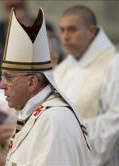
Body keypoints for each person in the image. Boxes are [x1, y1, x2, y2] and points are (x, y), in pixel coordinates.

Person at [0, 8, 91, 166]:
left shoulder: (54, 119)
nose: (1, 85)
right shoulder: (34, 114)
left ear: (32, 82)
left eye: (9, 78)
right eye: (2, 77)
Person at [54, 5, 119, 165]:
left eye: (72, 29)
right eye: (62, 30)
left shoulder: (113, 64)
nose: (65, 37)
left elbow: (116, 118)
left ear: (91, 31)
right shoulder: (62, 69)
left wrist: (68, 130)